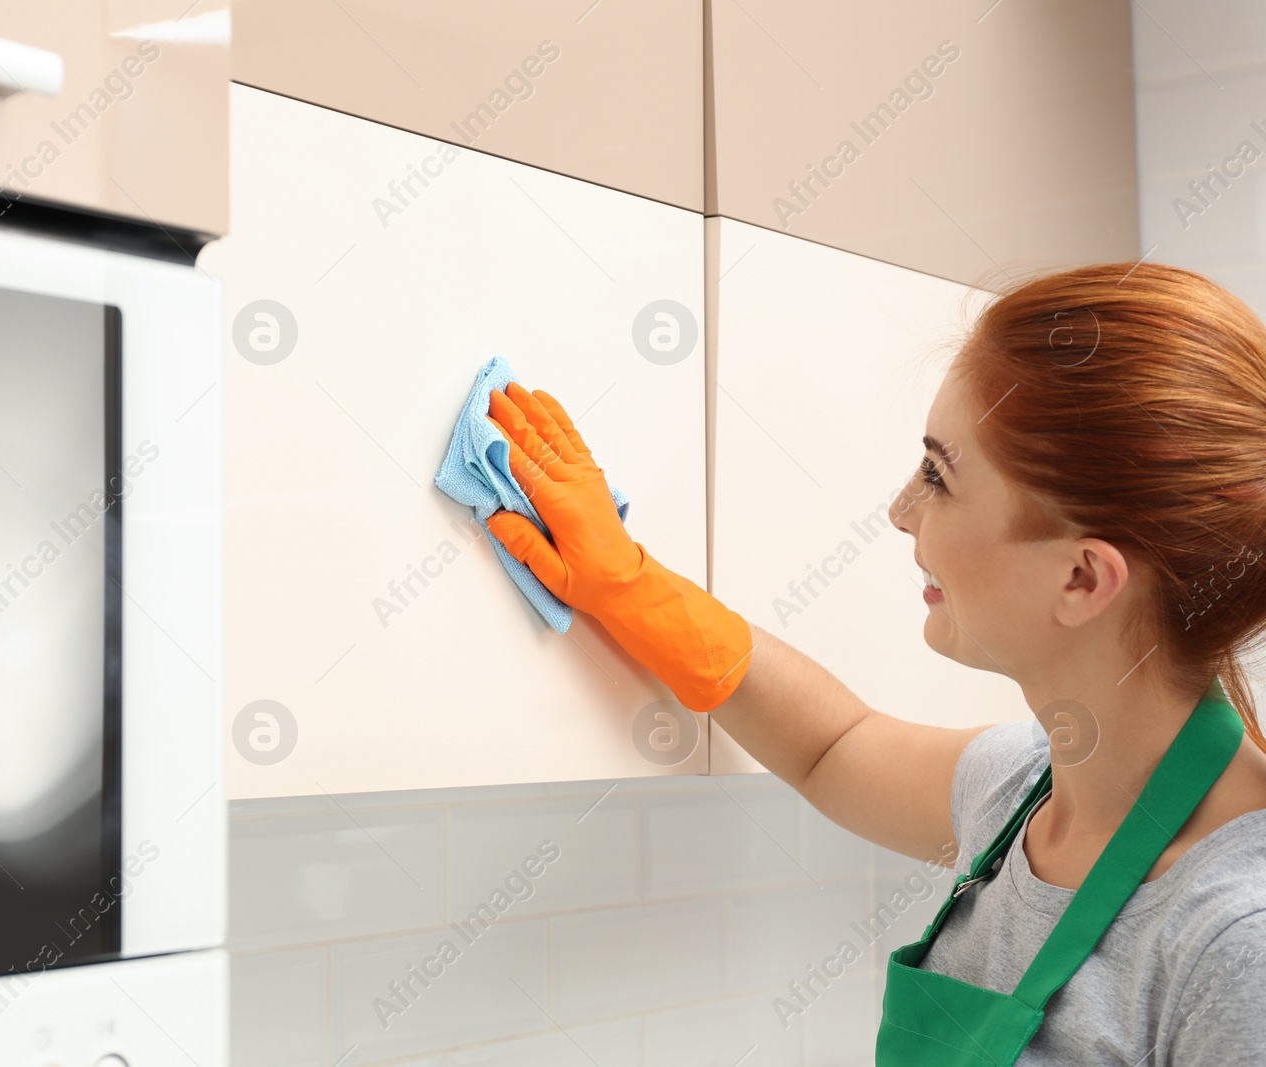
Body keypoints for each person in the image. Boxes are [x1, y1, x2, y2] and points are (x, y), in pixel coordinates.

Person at [484, 262, 1266, 1065]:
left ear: (1081, 577)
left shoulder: (1235, 941)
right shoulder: (1020, 791)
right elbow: (835, 746)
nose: (900, 512)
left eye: (938, 475)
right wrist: (628, 583)